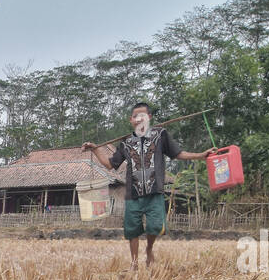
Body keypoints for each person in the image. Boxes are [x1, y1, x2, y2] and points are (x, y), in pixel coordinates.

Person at [82, 102, 211, 269]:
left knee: (155, 226)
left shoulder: (160, 135)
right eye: (135, 116)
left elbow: (178, 154)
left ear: (149, 117)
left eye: (142, 115)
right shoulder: (126, 142)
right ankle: (134, 263)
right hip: (132, 194)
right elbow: (109, 164)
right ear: (131, 120)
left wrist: (201, 155)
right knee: (132, 230)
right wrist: (95, 149)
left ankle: (149, 248)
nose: (139, 119)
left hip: (154, 191)